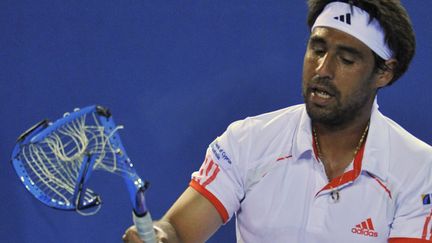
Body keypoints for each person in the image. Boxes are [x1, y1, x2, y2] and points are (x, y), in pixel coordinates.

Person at [123, 0, 432, 242]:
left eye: (346, 59)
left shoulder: (419, 170)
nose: (323, 69)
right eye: (317, 49)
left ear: (384, 72)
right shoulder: (246, 142)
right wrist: (160, 237)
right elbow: (177, 231)